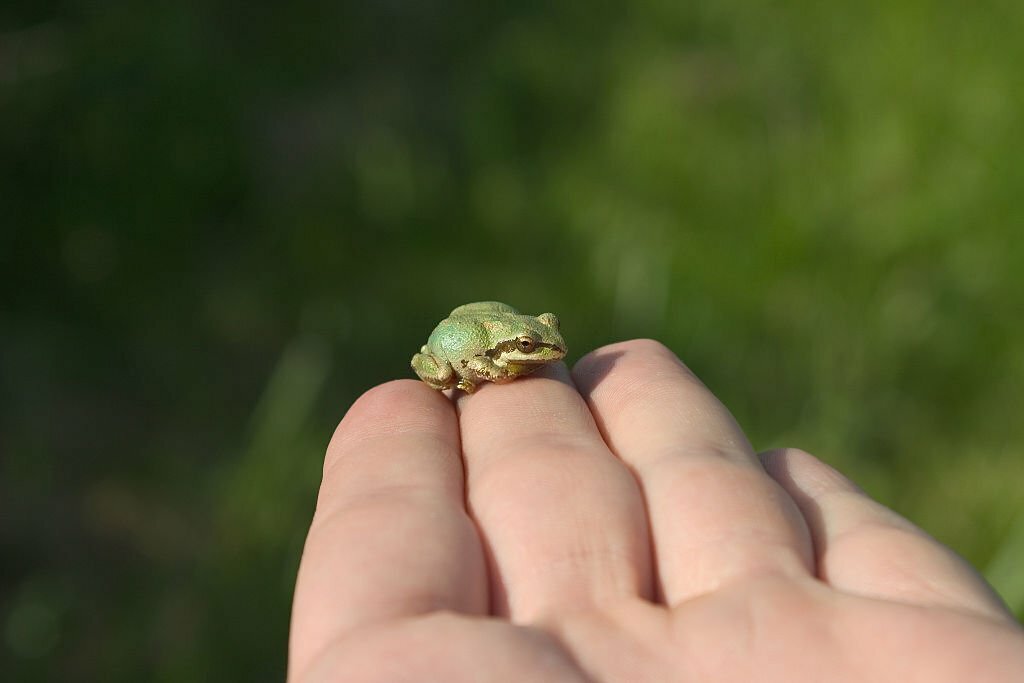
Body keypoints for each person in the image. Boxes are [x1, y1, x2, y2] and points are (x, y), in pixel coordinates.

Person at [287, 340, 1024, 682]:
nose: (544, 348)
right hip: (452, 348)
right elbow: (469, 363)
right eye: (531, 345)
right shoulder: (488, 354)